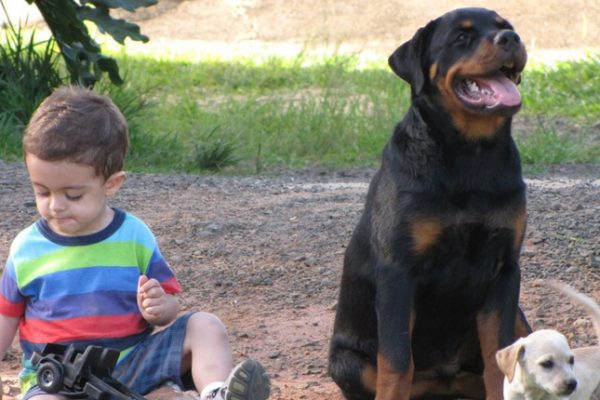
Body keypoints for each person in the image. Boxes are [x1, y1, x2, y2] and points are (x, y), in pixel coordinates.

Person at [0, 86, 270, 400]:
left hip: (132, 365)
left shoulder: (134, 235)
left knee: (204, 325)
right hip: (58, 380)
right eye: (42, 192)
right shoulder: (28, 248)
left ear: (111, 184)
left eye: (73, 195)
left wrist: (159, 307)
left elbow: (169, 304)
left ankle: (215, 392)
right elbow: (6, 314)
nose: (56, 205)